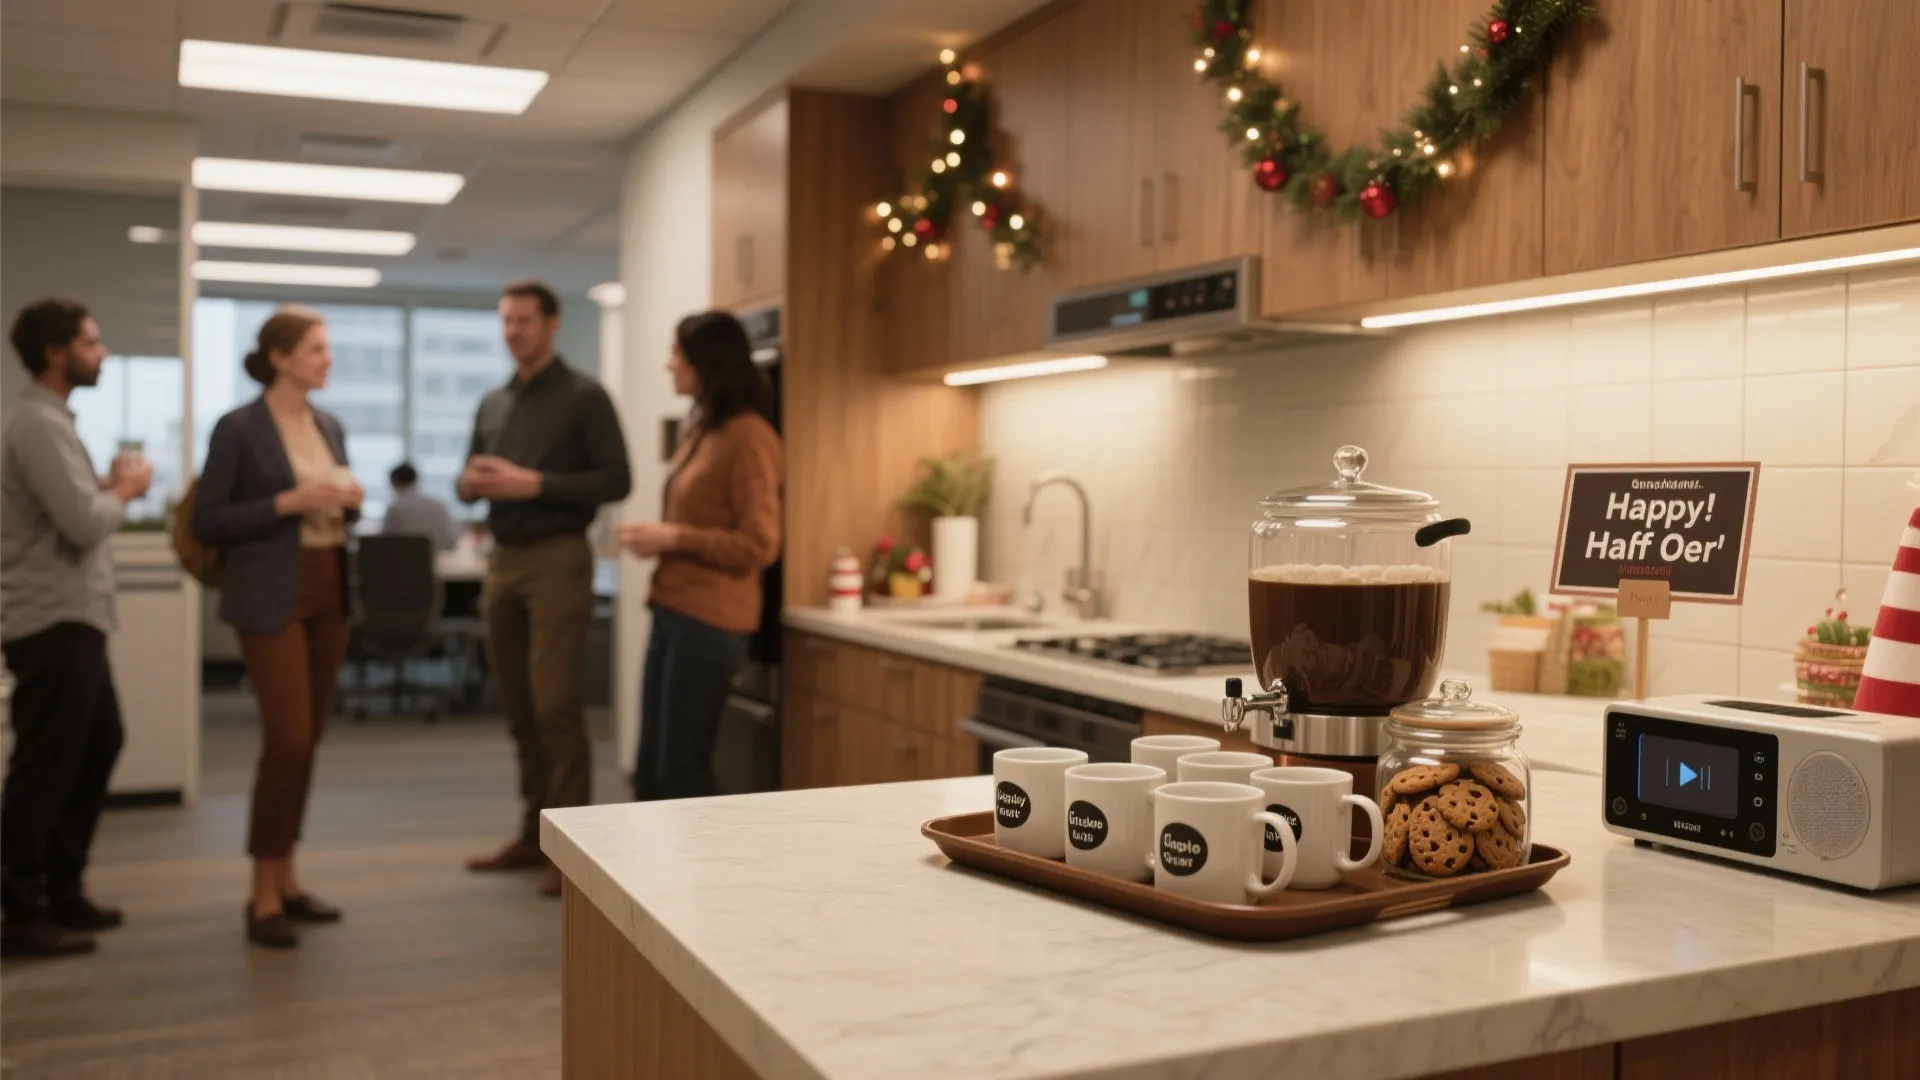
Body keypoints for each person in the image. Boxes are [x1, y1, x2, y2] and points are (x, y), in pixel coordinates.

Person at [194, 306, 364, 950]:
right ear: (280, 357)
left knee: (308, 741)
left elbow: (332, 506)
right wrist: (290, 502)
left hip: (328, 590)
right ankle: (261, 894)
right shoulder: (238, 428)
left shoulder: (330, 425)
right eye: (318, 350)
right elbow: (211, 519)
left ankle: (288, 881)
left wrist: (346, 502)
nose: (328, 360)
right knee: (287, 740)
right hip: (270, 596)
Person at [460, 279, 630, 897]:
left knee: (555, 703)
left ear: (552, 324)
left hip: (558, 556)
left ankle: (571, 849)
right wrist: (472, 482)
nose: (513, 332)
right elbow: (469, 473)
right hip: (502, 558)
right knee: (516, 705)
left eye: (525, 321)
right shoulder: (494, 402)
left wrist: (535, 484)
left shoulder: (586, 398)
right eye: (506, 321)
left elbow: (617, 478)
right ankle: (532, 833)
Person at [0, 298, 151, 959]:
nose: (103, 352)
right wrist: (123, 490)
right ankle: (21, 908)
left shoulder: (50, 421)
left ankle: (62, 888)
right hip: (50, 617)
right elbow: (84, 523)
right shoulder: (37, 423)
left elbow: (63, 508)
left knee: (98, 743)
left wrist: (103, 489)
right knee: (45, 765)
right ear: (56, 353)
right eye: (92, 343)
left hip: (76, 616)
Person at [618, 311, 782, 803]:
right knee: (651, 768)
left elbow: (760, 544)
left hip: (710, 622)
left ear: (706, 363)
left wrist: (673, 537)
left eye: (677, 355)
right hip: (674, 611)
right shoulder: (705, 429)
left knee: (680, 773)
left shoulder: (749, 438)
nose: (669, 366)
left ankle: (686, 879)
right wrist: (667, 538)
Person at [381, 462, 458, 552]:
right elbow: (450, 542)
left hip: (406, 560)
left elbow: (385, 542)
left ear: (394, 483)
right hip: (440, 559)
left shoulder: (394, 508)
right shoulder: (439, 505)